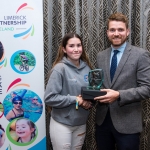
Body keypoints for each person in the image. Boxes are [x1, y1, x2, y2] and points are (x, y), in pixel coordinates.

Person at [94, 12, 150, 150]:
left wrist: (119, 95)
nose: (116, 33)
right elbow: (98, 85)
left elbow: (147, 88)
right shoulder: (101, 56)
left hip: (128, 124)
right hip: (102, 123)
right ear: (107, 32)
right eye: (112, 30)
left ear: (128, 31)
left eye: (120, 29)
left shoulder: (141, 55)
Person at [44, 32, 93, 150]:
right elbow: (49, 98)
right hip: (62, 124)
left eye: (79, 45)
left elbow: (90, 94)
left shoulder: (87, 68)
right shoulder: (59, 69)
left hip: (80, 123)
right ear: (64, 49)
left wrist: (89, 103)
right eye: (71, 46)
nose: (76, 49)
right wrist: (75, 99)